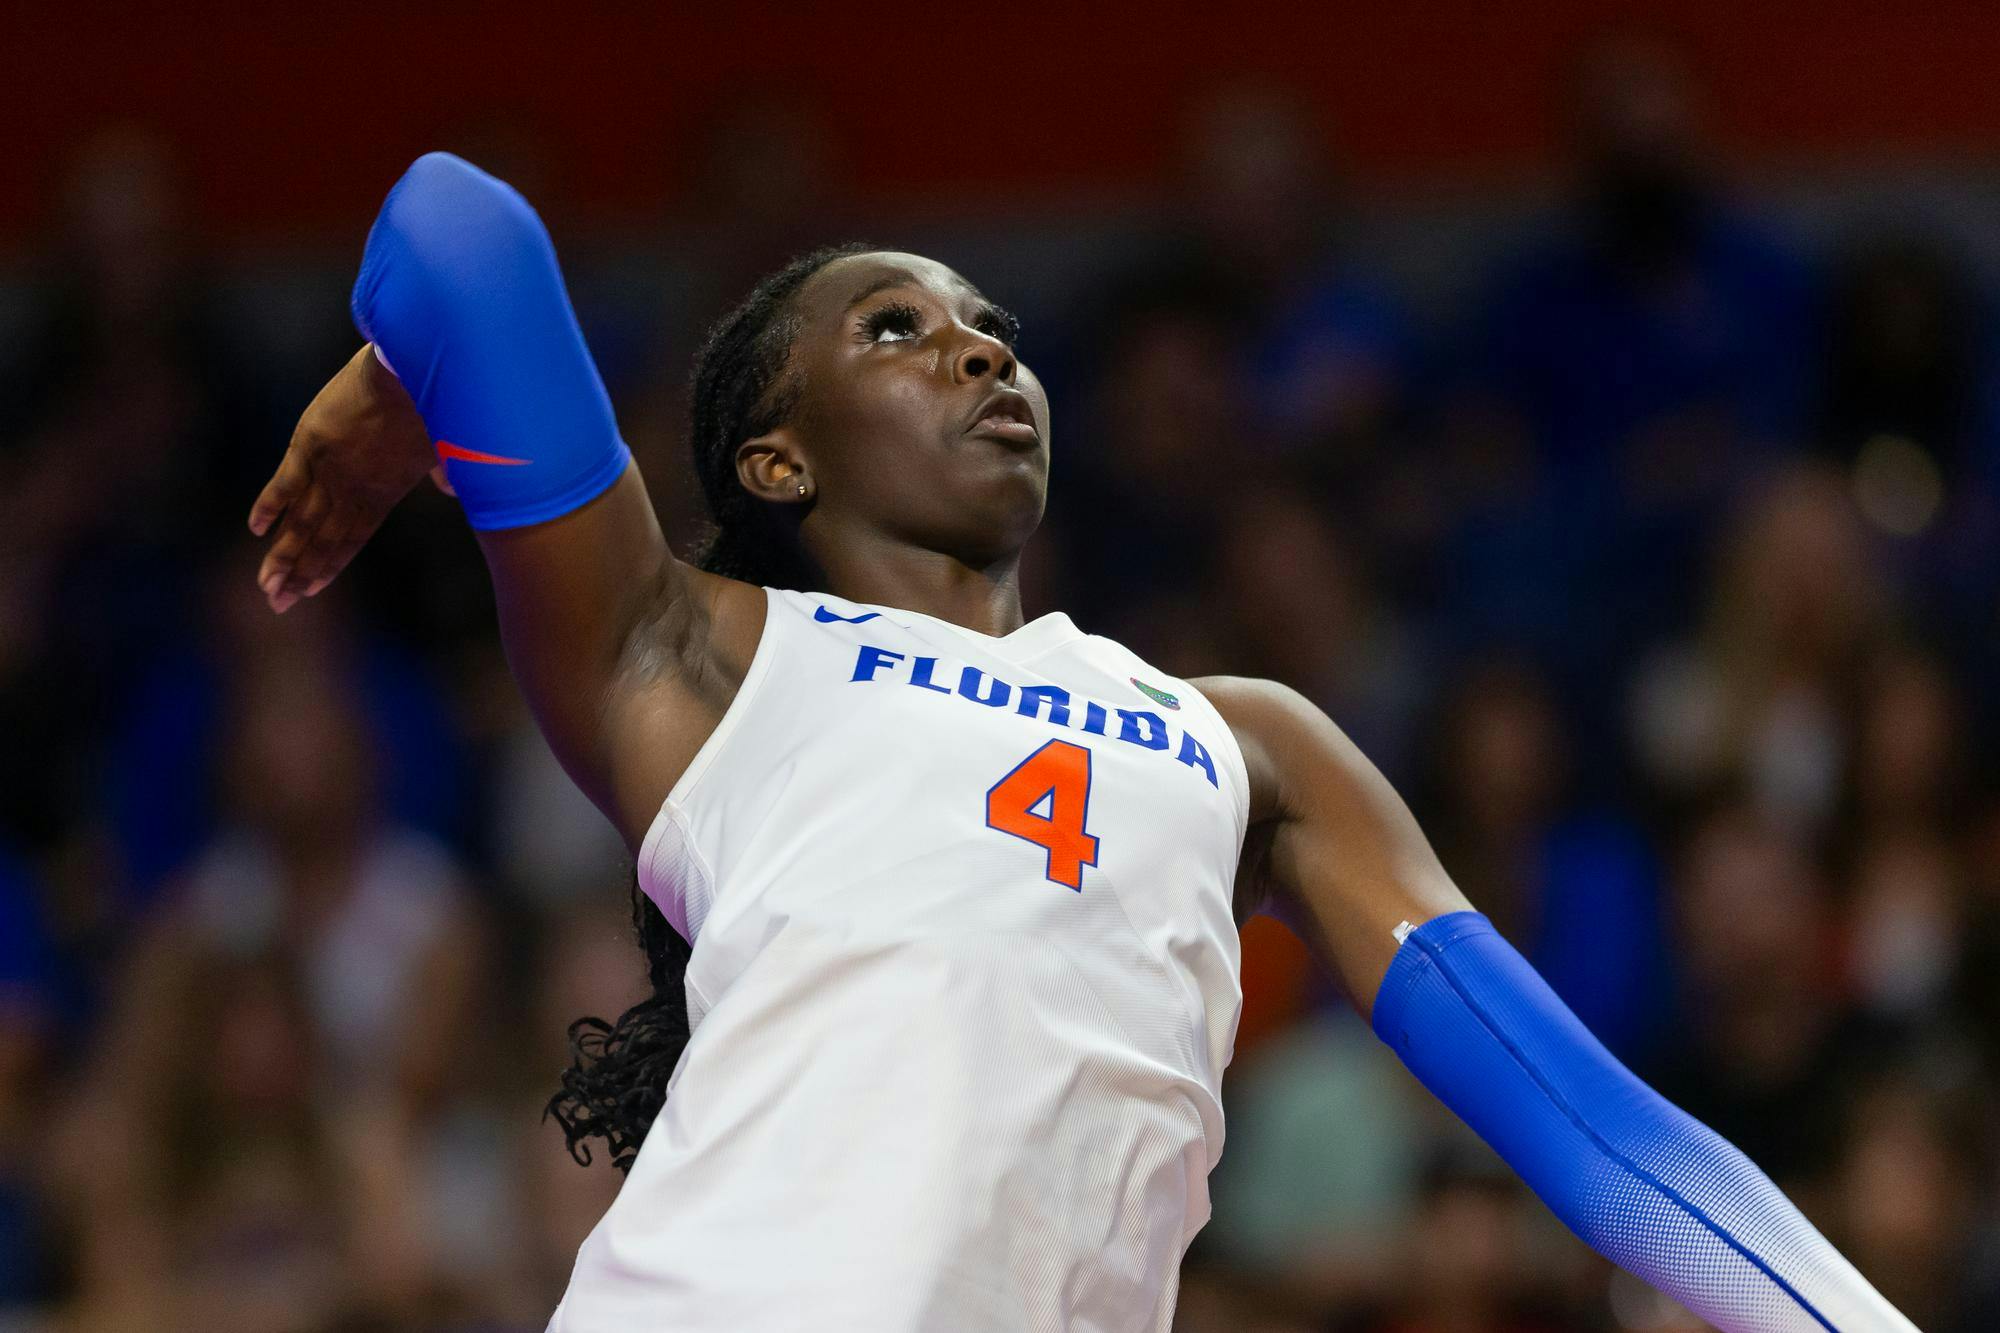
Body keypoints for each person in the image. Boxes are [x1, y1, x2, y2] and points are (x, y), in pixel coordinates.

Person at [249, 154, 1915, 1332]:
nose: (981, 345)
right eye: (895, 328)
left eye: (993, 327)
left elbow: (1596, 1123)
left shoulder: (1243, 744)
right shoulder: (697, 656)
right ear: (773, 461)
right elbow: (458, 228)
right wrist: (398, 389)